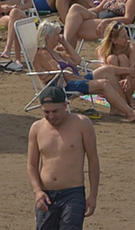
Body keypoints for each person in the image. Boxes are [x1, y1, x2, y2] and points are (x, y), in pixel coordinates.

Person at [28, 82, 100, 230]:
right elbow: (32, 164)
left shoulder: (82, 124)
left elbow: (93, 161)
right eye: (46, 112)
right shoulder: (37, 128)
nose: (51, 116)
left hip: (72, 193)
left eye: (55, 111)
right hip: (46, 195)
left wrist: (93, 196)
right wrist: (37, 191)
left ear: (65, 106)